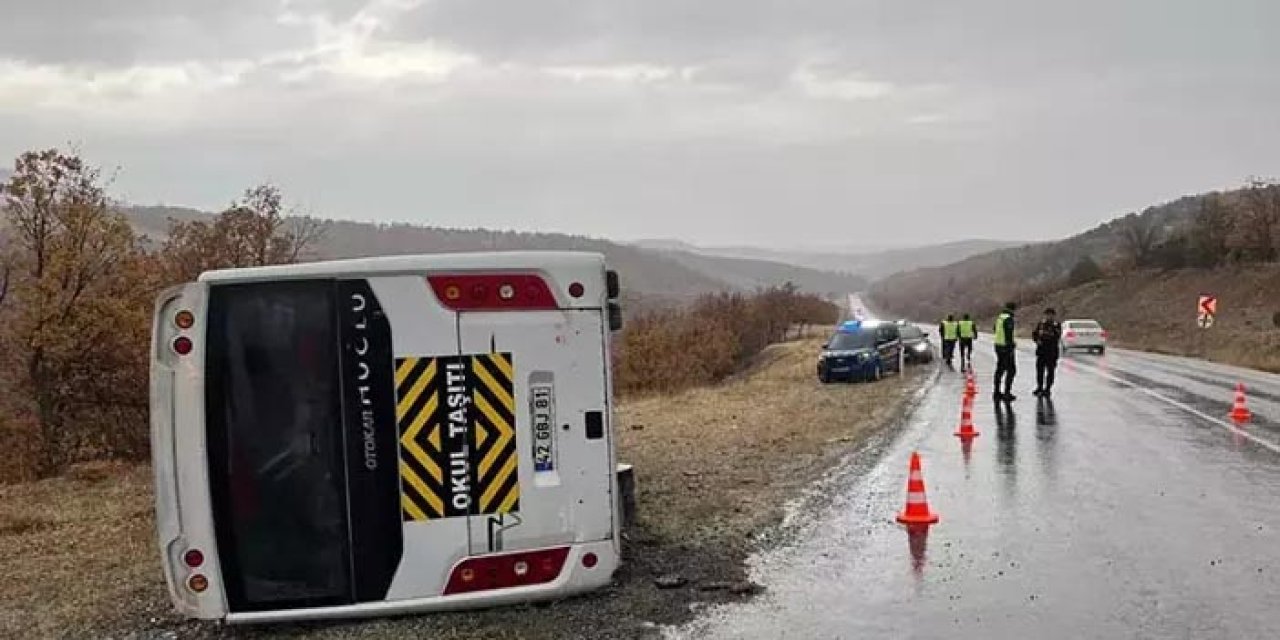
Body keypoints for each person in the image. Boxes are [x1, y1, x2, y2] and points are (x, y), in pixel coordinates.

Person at [1032, 307, 1063, 397]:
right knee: (1040, 371)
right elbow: (1035, 334)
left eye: (1051, 315)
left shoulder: (1056, 325)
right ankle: (1039, 387)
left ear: (1054, 316)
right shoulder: (1041, 324)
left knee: (1050, 371)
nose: (1049, 317)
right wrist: (1037, 340)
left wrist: (1046, 336)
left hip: (1051, 352)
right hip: (1041, 351)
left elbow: (1056, 336)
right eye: (1047, 315)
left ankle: (1048, 389)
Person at [993, 302, 1017, 402]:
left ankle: (997, 392)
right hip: (1006, 347)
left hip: (998, 345)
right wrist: (1011, 347)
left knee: (1000, 369)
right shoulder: (1008, 319)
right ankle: (1007, 393)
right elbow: (1008, 334)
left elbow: (994, 329)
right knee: (1011, 370)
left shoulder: (1000, 317)